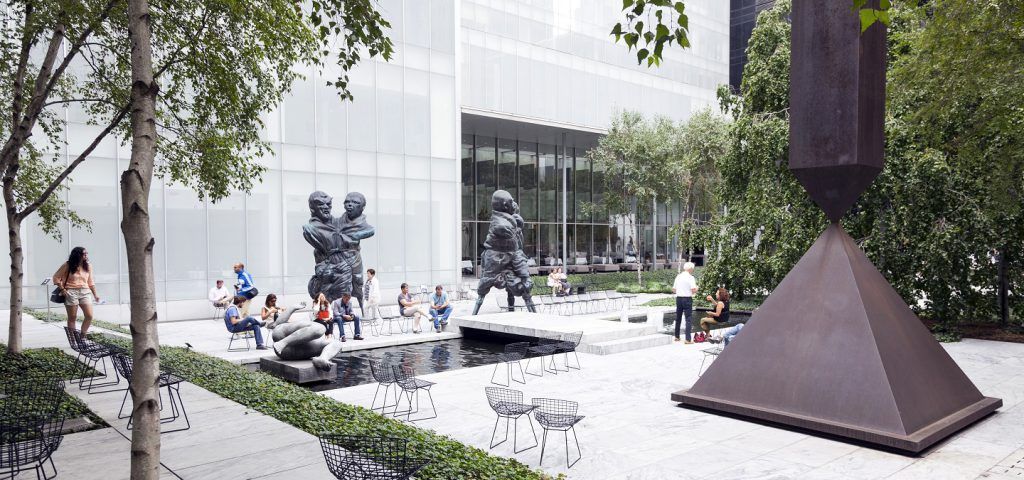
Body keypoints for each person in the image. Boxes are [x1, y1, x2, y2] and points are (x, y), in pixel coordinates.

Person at [52, 246, 101, 335]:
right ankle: (73, 340)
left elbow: (90, 281)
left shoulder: (88, 265)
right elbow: (56, 277)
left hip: (85, 292)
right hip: (71, 292)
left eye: (86, 253)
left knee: (89, 316)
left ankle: (82, 336)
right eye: (84, 254)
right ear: (77, 255)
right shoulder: (67, 265)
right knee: (72, 317)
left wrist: (95, 295)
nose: (86, 255)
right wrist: (62, 289)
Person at [672, 262, 698, 344]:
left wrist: (681, 290)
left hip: (678, 299)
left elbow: (673, 290)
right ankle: (688, 339)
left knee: (678, 318)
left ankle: (676, 336)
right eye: (692, 269)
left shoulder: (678, 276)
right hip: (687, 299)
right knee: (688, 319)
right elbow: (693, 290)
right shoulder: (691, 277)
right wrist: (698, 288)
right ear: (690, 269)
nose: (693, 270)